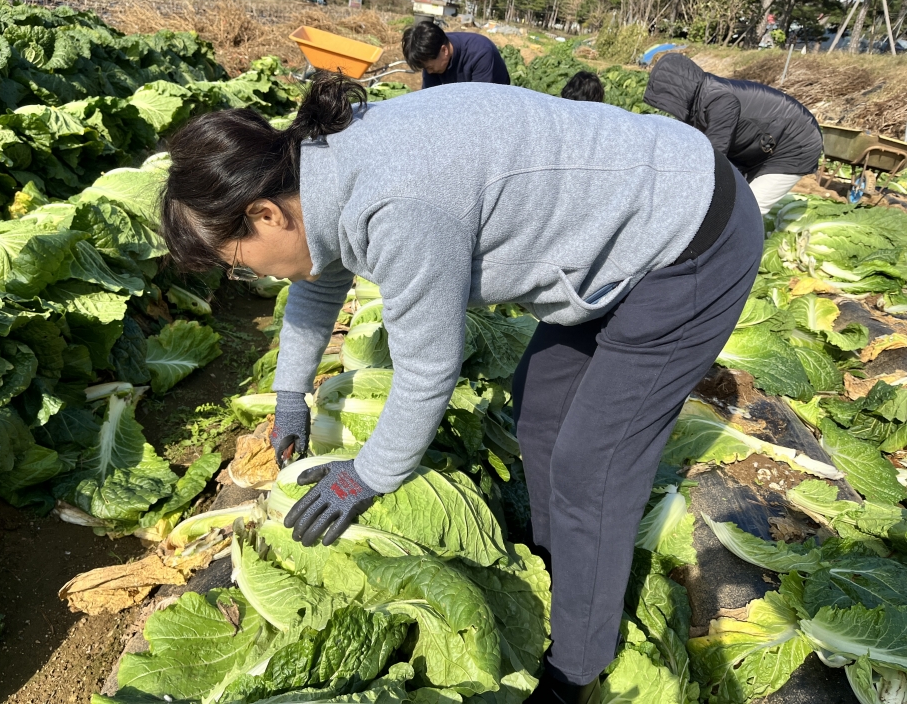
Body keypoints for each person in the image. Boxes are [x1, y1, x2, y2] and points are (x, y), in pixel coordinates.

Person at [159, 75, 763, 704]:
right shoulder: (314, 171)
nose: (243, 272)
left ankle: (576, 670)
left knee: (594, 464)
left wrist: (368, 475)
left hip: (691, 239)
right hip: (622, 236)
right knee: (539, 408)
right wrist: (290, 393)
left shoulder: (398, 205)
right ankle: (567, 570)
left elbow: (427, 371)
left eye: (236, 259)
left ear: (265, 214)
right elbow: (319, 274)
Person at [643, 53, 822, 216]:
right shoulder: (701, 101)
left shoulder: (719, 101)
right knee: (734, 200)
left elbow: (713, 159)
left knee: (750, 209)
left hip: (796, 145)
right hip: (765, 144)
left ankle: (741, 250)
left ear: (676, 93)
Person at [401, 20, 510, 89]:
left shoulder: (480, 53)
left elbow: (479, 101)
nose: (429, 72)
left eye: (430, 67)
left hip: (495, 95)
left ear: (444, 51)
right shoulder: (431, 52)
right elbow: (429, 98)